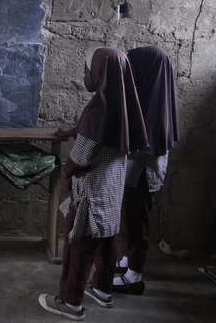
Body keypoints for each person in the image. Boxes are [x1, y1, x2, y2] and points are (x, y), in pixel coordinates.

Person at [38, 47, 147, 321]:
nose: (86, 74)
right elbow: (108, 136)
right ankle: (102, 290)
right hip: (112, 189)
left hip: (91, 192)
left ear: (100, 72)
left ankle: (70, 301)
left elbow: (82, 156)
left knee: (79, 245)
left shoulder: (97, 109)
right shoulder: (127, 106)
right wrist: (76, 130)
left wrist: (66, 170)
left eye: (88, 68)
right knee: (107, 241)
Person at [112, 45, 179, 295]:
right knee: (129, 212)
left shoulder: (154, 105)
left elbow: (145, 143)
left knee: (138, 218)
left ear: (146, 70)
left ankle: (135, 276)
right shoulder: (150, 96)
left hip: (145, 169)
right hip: (137, 168)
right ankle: (129, 259)